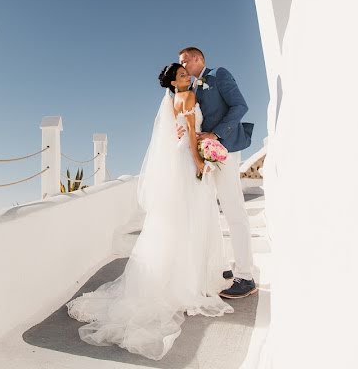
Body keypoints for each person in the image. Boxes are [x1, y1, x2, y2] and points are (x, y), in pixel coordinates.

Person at [67, 63, 232, 360]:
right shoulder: (188, 98)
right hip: (189, 159)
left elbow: (181, 130)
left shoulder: (173, 101)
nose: (186, 78)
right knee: (192, 220)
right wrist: (199, 163)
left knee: (181, 221)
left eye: (186, 74)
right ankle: (189, 283)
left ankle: (178, 279)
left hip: (180, 156)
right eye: (181, 76)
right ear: (172, 83)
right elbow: (192, 135)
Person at [178, 46, 257, 299]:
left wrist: (216, 134)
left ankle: (246, 276)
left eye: (185, 61)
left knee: (233, 209)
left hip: (226, 150)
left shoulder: (219, 75)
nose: (182, 66)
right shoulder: (189, 90)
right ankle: (222, 266)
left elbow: (240, 106)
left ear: (198, 58)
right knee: (208, 210)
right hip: (204, 155)